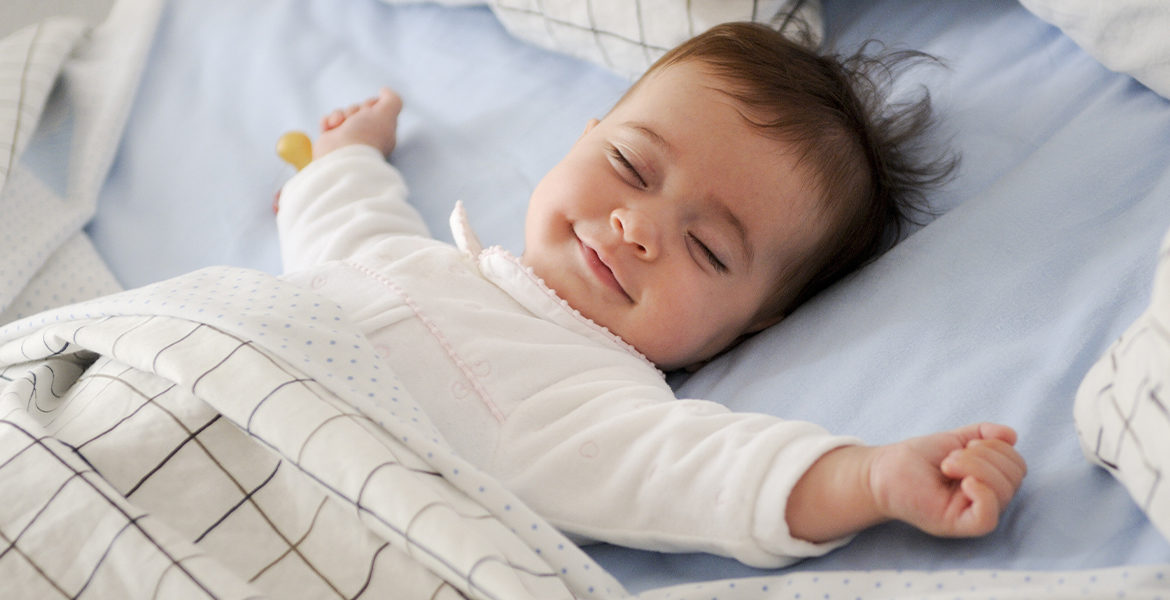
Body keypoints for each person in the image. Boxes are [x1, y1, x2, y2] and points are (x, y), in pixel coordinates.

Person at [275, 22, 1026, 567]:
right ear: (584, 136)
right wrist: (346, 157)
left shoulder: (586, 400)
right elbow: (348, 224)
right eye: (631, 165)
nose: (637, 228)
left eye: (706, 249)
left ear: (758, 322)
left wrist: (869, 478)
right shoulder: (406, 260)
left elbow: (703, 474)